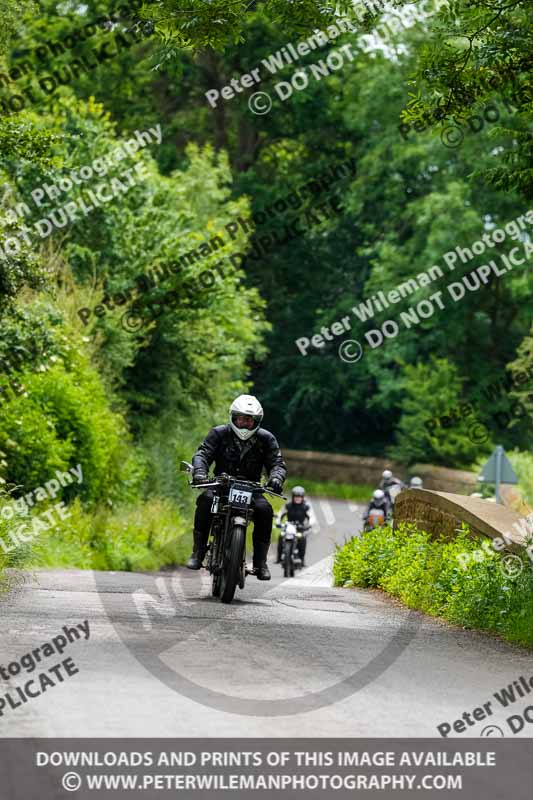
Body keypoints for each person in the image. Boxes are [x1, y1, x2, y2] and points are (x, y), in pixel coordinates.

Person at [186, 394, 287, 580]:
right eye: (240, 418)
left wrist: (276, 479)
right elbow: (203, 454)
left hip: (252, 489)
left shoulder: (267, 439)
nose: (243, 423)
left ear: (256, 421)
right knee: (205, 500)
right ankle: (197, 552)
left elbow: (277, 464)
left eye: (248, 420)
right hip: (221, 485)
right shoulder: (219, 433)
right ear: (233, 417)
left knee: (265, 510)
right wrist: (200, 472)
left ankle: (260, 563)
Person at [275, 485, 315, 567]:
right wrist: (278, 522)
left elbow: (311, 517)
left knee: (302, 539)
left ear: (302, 497)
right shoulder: (288, 506)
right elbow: (280, 514)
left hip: (300, 527)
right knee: (281, 536)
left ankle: (302, 559)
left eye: (299, 497)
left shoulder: (306, 507)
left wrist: (309, 525)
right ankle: (279, 558)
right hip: (289, 526)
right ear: (293, 497)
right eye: (296, 496)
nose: (297, 498)